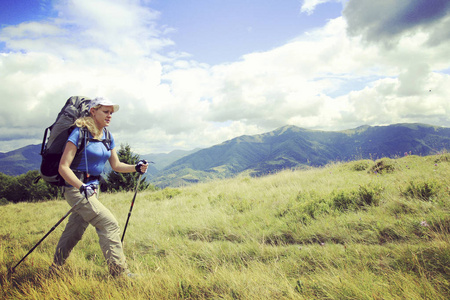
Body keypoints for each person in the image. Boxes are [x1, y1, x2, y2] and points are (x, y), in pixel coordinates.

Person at [51, 96, 148, 277]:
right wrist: (81, 186)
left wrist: (136, 167)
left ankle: (55, 268)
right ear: (93, 111)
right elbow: (63, 167)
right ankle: (120, 274)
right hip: (75, 188)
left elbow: (116, 165)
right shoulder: (79, 133)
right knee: (109, 223)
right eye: (106, 111)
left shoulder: (107, 136)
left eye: (111, 112)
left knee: (75, 230)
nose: (110, 115)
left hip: (93, 190)